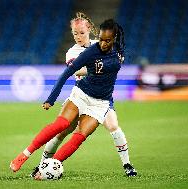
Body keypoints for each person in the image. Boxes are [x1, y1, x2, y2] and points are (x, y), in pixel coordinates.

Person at [10, 18, 137, 177]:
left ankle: (47, 168)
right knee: (60, 127)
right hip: (81, 94)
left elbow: (113, 63)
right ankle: (25, 155)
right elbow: (69, 73)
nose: (103, 44)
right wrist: (52, 98)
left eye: (107, 40)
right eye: (75, 33)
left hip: (101, 102)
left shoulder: (117, 51)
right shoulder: (85, 52)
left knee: (83, 135)